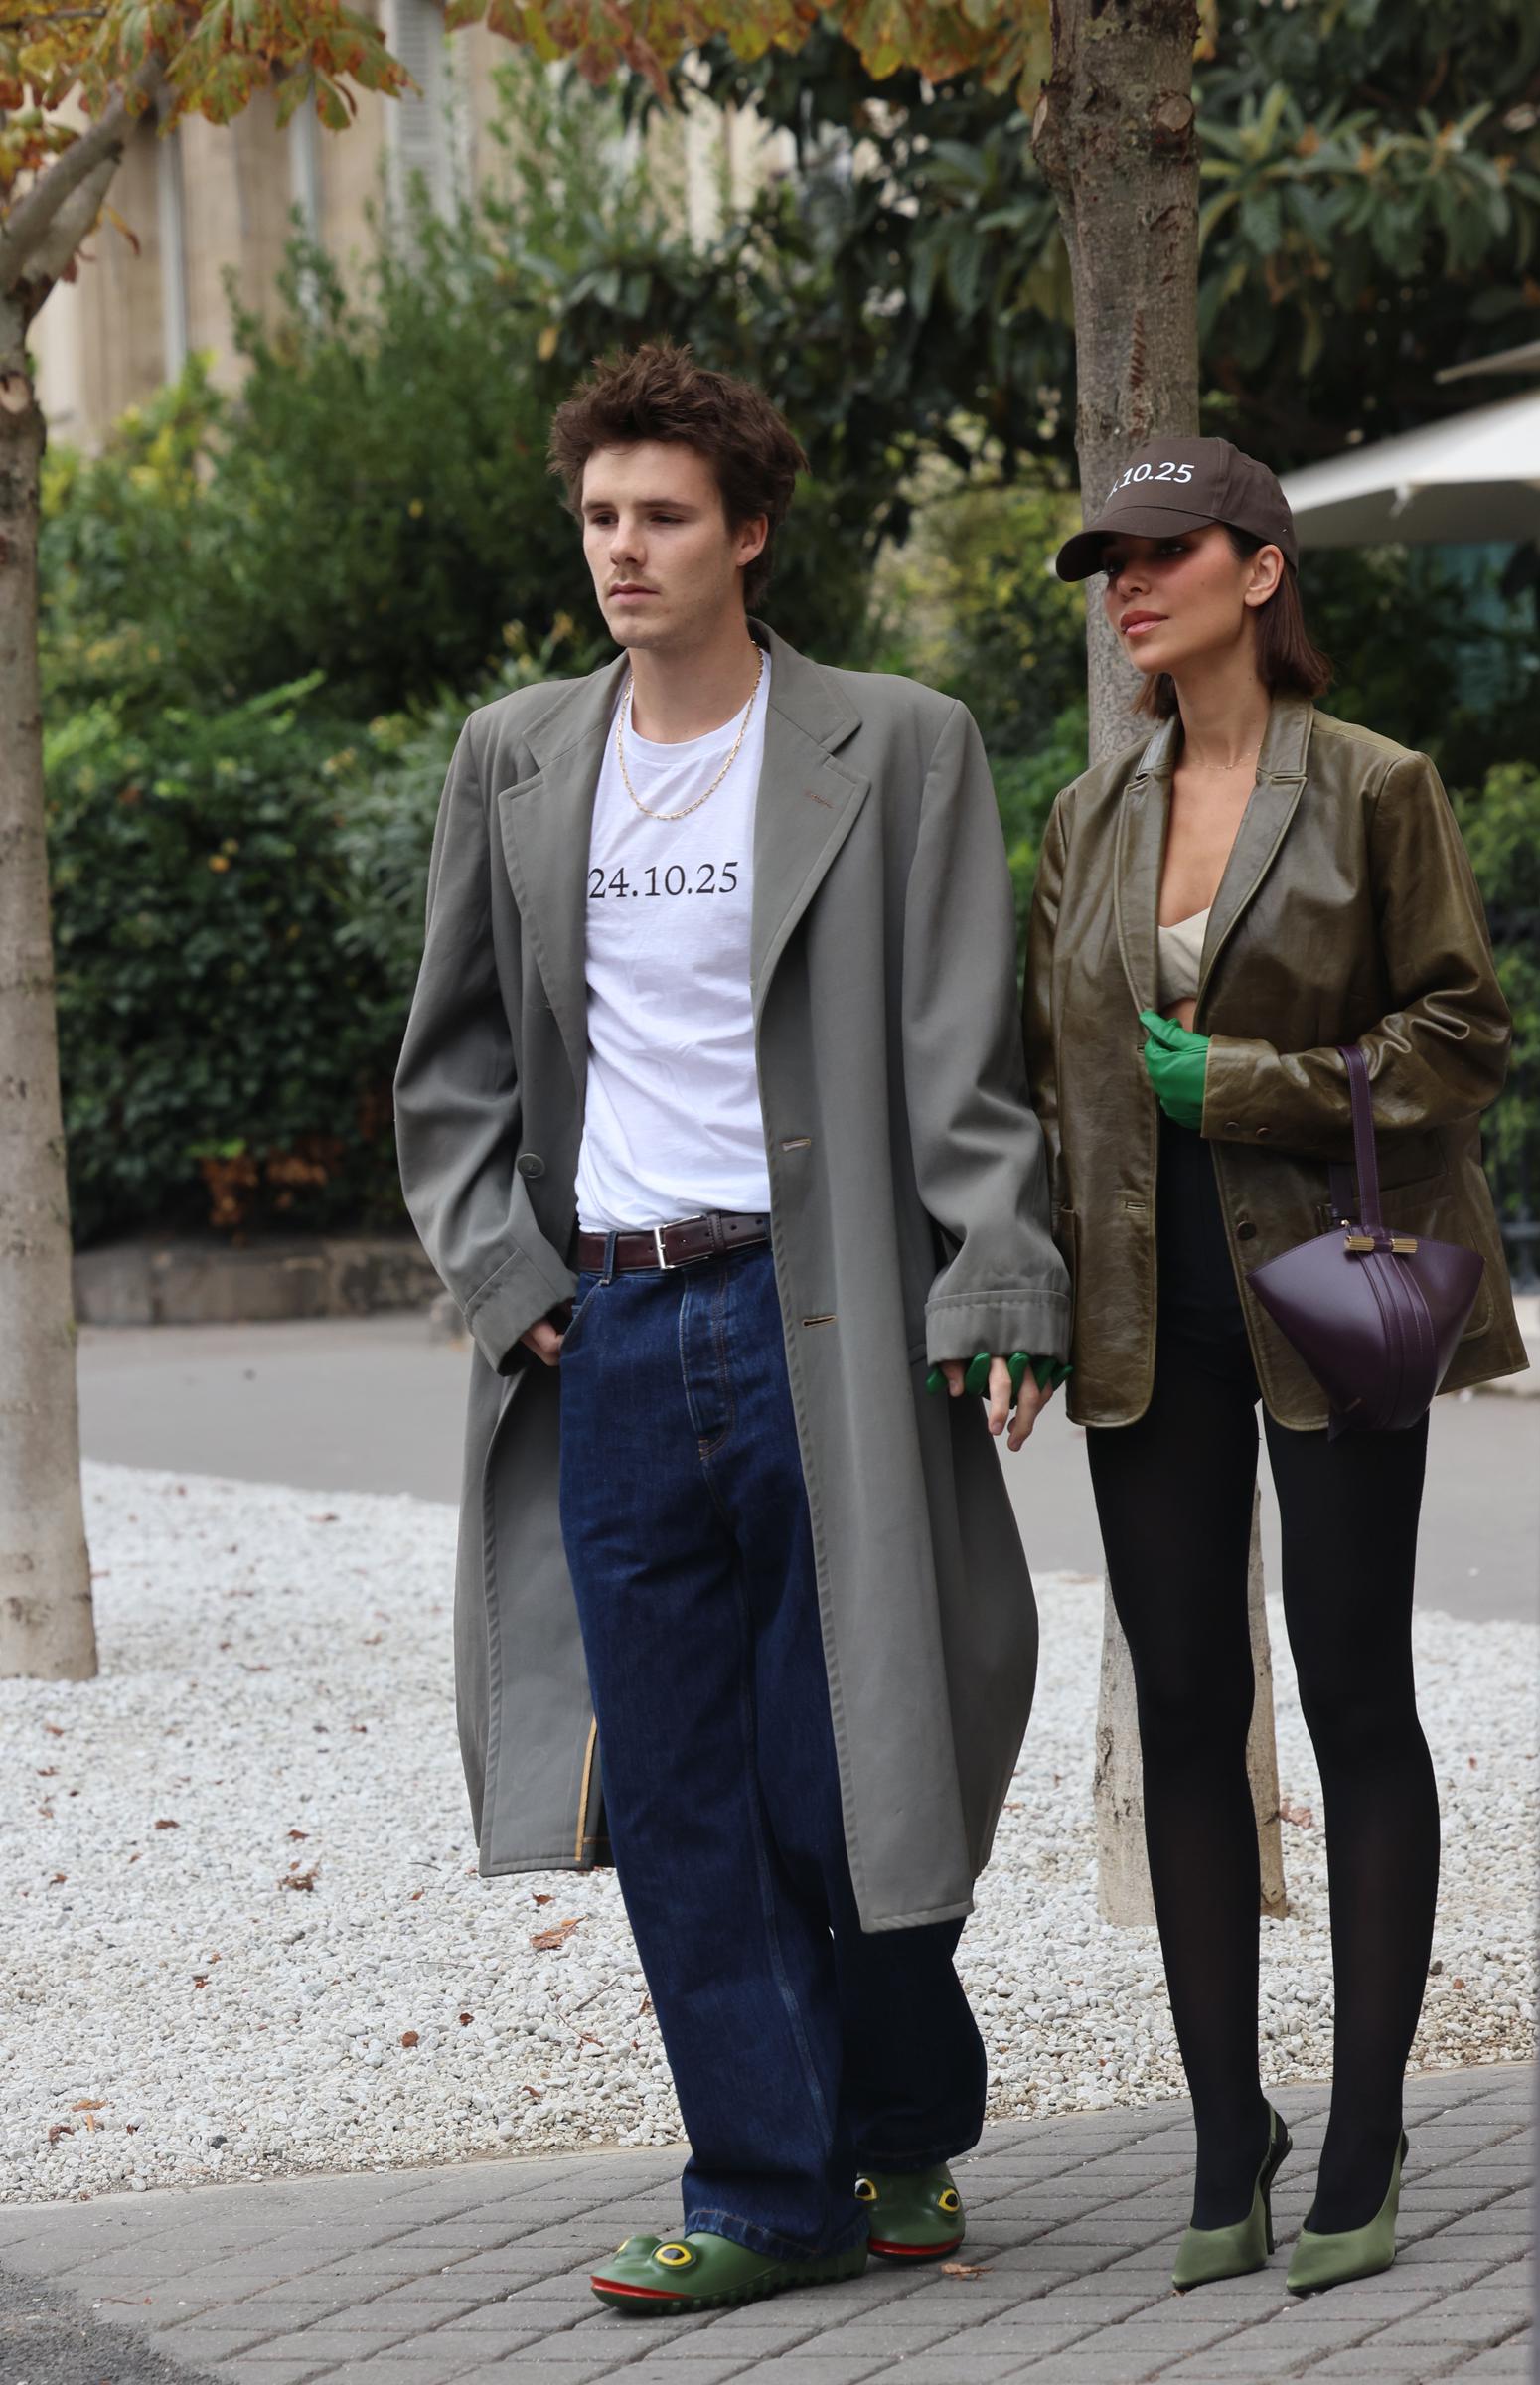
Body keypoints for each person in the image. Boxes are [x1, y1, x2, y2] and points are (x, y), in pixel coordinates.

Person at [394, 343, 1070, 2318]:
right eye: (601, 515)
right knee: (682, 1788)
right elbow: (452, 1067)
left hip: (819, 1317)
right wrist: (508, 1284)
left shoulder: (895, 743)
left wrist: (997, 1269)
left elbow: (963, 1051)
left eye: (665, 516)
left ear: (749, 533)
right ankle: (770, 2190)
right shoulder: (517, 757)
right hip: (609, 1331)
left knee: (841, 1759)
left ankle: (905, 2124)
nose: (624, 548)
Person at [1023, 436, 1526, 2299]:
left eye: (1162, 551)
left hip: (1333, 1285)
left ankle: (1366, 2126)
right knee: (1181, 1702)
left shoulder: (1375, 786)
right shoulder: (1087, 812)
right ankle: (1223, 2136)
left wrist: (1247, 1084)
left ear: (1256, 570)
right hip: (1142, 1304)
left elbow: (1463, 1033)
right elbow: (1048, 1086)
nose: (1126, 584)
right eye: (1109, 559)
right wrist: (1017, 1301)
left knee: (1351, 1689)